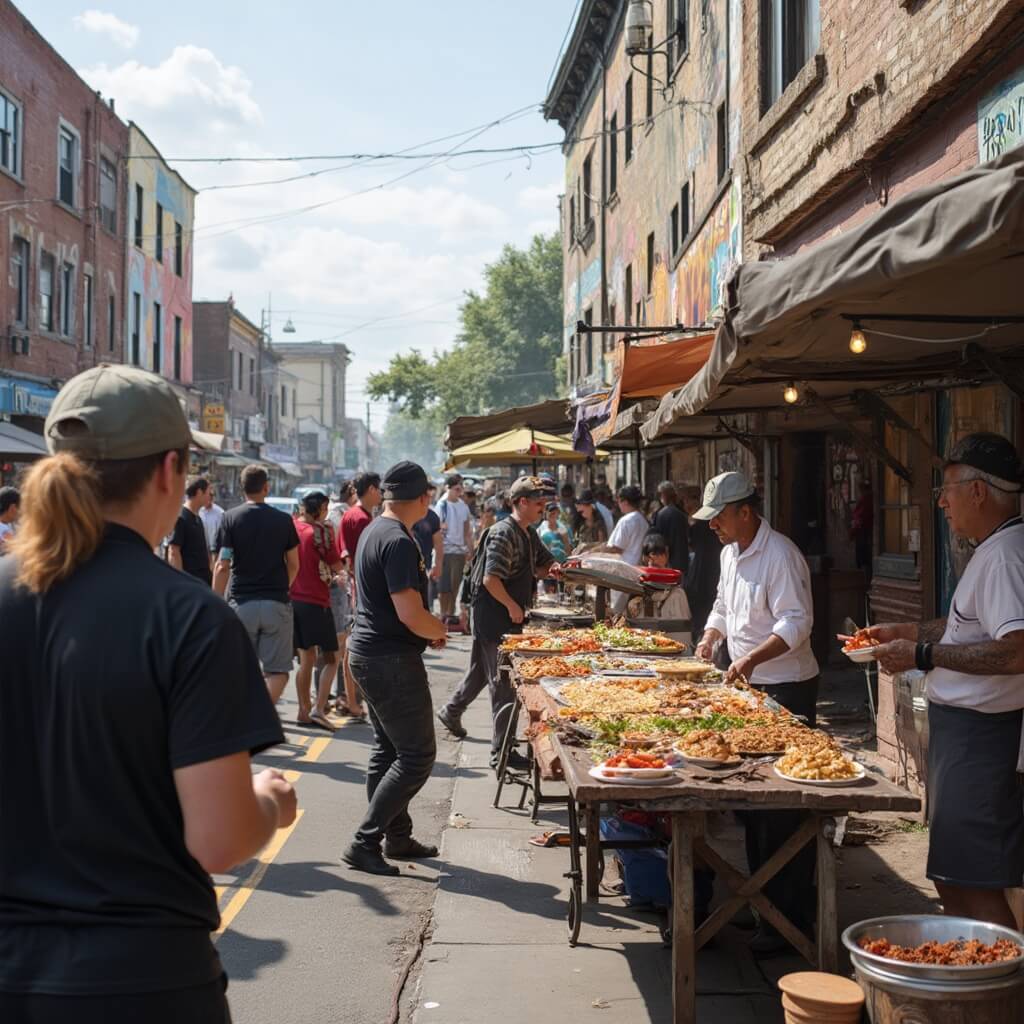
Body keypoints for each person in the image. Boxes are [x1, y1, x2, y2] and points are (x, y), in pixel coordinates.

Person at [0, 364, 295, 1022]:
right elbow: (220, 840)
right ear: (169, 471)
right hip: (141, 980)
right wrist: (269, 802)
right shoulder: (190, 617)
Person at [865, 434, 1024, 929]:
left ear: (978, 491)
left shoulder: (1005, 556)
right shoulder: (994, 549)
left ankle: (999, 972)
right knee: (954, 878)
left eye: (947, 489)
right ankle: (978, 967)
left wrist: (921, 654)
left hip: (982, 739)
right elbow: (968, 628)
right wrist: (910, 631)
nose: (941, 502)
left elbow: (1016, 650)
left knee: (972, 882)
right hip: (965, 737)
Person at [693, 471, 818, 956]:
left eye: (719, 516)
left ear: (746, 511)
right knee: (752, 803)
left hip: (786, 688)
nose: (713, 525)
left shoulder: (781, 555)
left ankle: (790, 918)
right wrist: (711, 636)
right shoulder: (730, 553)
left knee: (783, 808)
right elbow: (723, 605)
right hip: (746, 685)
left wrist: (750, 659)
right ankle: (762, 901)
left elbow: (797, 623)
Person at [342, 461, 447, 876]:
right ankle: (364, 842)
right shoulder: (398, 540)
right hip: (389, 661)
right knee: (417, 755)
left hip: (370, 654)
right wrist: (437, 629)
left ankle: (397, 837)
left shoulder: (375, 530)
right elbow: (409, 612)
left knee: (388, 750)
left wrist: (425, 630)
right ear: (422, 498)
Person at [437, 477, 561, 771]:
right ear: (521, 503)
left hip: (503, 614)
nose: (543, 507)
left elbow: (543, 564)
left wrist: (556, 568)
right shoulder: (504, 533)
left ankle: (451, 710)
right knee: (503, 683)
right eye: (538, 503)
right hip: (494, 615)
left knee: (481, 671)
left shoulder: (528, 533)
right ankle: (501, 751)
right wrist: (512, 606)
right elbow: (490, 579)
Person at [214, 465, 300, 704]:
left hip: (241, 604)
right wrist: (282, 587)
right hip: (276, 604)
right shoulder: (284, 520)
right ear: (266, 487)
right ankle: (261, 712)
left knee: (239, 670)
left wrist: (216, 602)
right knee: (278, 672)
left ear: (241, 488)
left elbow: (222, 565)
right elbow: (294, 564)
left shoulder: (229, 518)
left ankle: (244, 715)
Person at [291, 490, 345, 732]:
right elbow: (336, 563)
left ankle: (303, 711)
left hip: (294, 599)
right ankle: (318, 709)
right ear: (320, 508)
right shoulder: (320, 533)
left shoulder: (293, 527)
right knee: (332, 657)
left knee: (306, 659)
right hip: (317, 600)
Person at [682, 484, 722, 639]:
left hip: (705, 569)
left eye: (687, 500)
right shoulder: (702, 522)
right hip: (708, 567)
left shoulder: (701, 523)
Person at [626, 533, 692, 621]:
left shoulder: (677, 593)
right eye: (653, 554)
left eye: (660, 554)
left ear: (667, 555)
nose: (656, 558)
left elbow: (683, 624)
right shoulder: (638, 584)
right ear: (645, 557)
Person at [435, 473, 473, 623]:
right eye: (457, 489)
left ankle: (450, 614)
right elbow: (436, 530)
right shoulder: (441, 505)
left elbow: (467, 531)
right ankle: (443, 613)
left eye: (461, 489)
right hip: (444, 550)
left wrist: (470, 549)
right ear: (448, 488)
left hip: (458, 551)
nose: (460, 491)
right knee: (443, 586)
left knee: (454, 585)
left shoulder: (463, 506)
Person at [168, 476, 214, 585]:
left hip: (202, 581)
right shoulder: (181, 518)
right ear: (199, 492)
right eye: (208, 493)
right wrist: (180, 582)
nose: (210, 496)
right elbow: (174, 551)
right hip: (189, 582)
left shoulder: (198, 518)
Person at [412, 482, 444, 611]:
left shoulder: (432, 517)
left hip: (426, 564)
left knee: (426, 598)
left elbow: (438, 543)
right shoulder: (409, 514)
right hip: (409, 563)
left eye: (431, 495)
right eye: (427, 495)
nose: (429, 498)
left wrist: (438, 564)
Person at [652, 481, 689, 574]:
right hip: (682, 561)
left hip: (668, 562)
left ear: (664, 495)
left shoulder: (661, 514)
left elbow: (659, 540)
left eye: (661, 494)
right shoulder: (682, 514)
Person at [850, 478, 874, 577]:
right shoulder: (869, 499)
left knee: (863, 558)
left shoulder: (865, 500)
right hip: (865, 532)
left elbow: (859, 518)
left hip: (863, 533)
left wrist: (852, 532)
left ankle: (864, 578)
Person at [0, 485, 20, 554]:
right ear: (12, 508)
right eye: (19, 508)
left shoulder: (10, 525)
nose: (20, 512)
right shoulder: (5, 532)